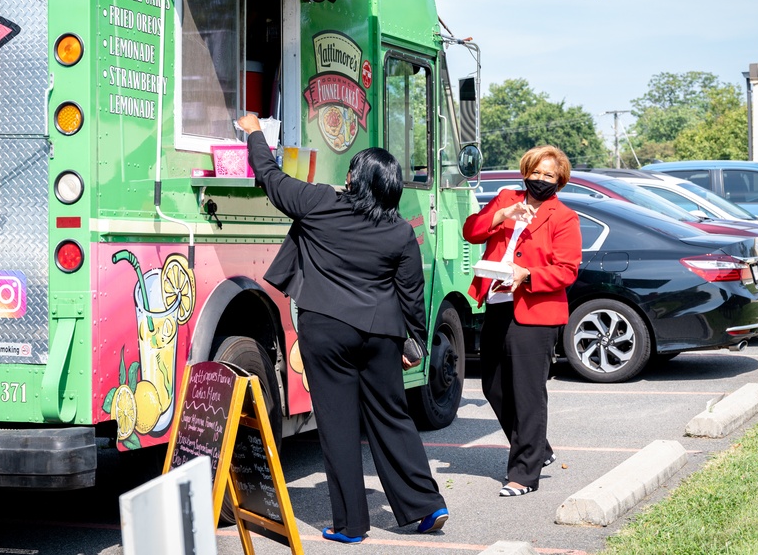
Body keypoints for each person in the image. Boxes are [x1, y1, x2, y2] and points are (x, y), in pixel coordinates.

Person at [236, 114, 449, 543]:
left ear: (355, 178)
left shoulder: (320, 204)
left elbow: (270, 178)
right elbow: (411, 293)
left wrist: (256, 133)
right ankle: (426, 506)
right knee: (392, 416)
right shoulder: (400, 232)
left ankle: (351, 525)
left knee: (337, 423)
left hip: (327, 329)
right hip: (380, 334)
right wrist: (414, 343)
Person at [462, 146, 582, 497]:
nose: (542, 180)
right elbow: (472, 232)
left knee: (528, 394)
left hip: (536, 312)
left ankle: (524, 474)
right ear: (525, 171)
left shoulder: (563, 217)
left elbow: (567, 270)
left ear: (559, 181)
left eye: (550, 176)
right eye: (537, 172)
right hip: (498, 303)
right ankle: (539, 449)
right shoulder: (506, 198)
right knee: (493, 387)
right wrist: (502, 215)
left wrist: (526, 274)